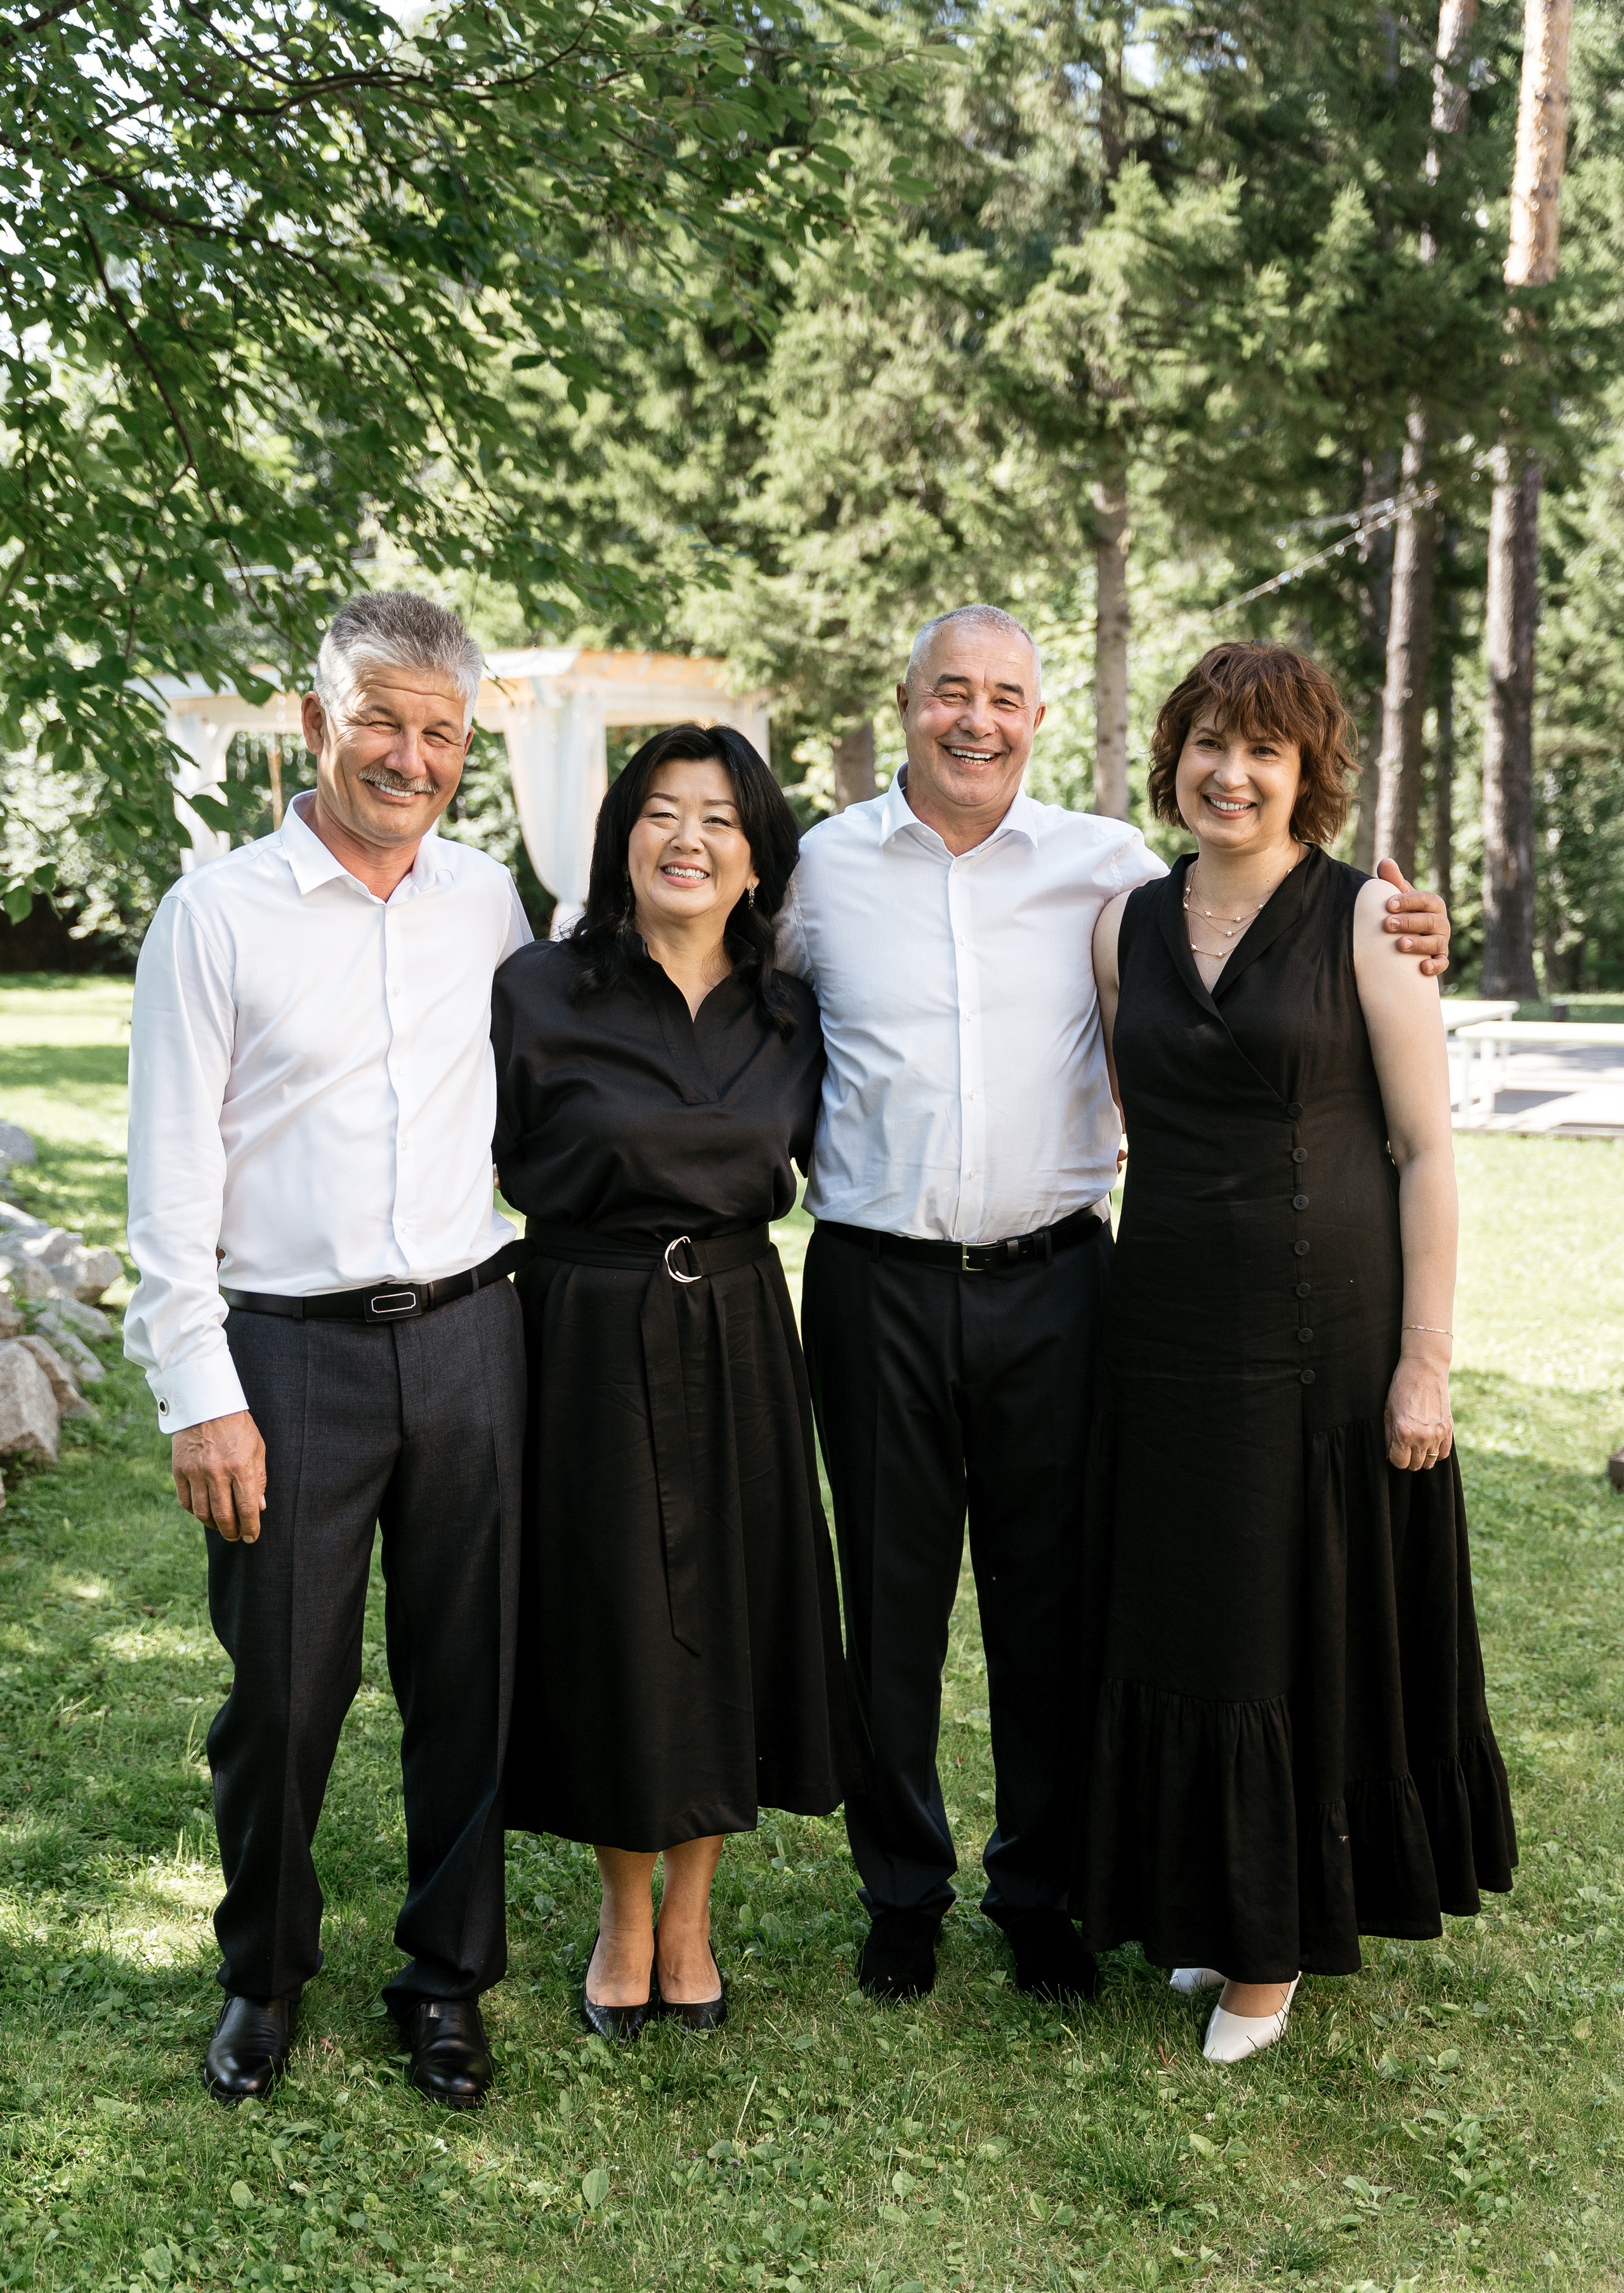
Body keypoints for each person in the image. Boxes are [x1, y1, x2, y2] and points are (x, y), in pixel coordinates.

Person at [782, 604, 1456, 2007]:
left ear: (1037, 719)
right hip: (873, 1283)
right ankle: (899, 1893)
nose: (975, 720)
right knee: (888, 1609)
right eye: (947, 694)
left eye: (1004, 698)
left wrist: (1409, 927)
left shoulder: (1103, 871)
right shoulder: (816, 871)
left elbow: (1264, 931)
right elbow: (712, 976)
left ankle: (1039, 1893)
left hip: (1059, 1284)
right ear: (903, 705)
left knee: (1053, 1607)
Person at [1072, 641, 1516, 2062]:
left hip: (1323, 1340)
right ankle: (1206, 1910)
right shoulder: (1119, 927)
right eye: (1206, 740)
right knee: (1189, 1612)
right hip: (1163, 1331)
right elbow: (1139, 1114)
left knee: (1291, 1613)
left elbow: (1422, 1150)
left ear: (1306, 772)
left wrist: (1423, 1362)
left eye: (1262, 748)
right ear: (1173, 756)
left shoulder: (1365, 925)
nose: (1229, 770)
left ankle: (1272, 1949)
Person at [124, 593, 530, 2110]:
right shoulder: (217, 914)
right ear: (314, 724)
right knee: (285, 1692)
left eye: (437, 732)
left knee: (467, 1682)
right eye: (379, 719)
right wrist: (200, 1396)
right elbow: (167, 1186)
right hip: (285, 1354)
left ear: (464, 749)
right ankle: (263, 1975)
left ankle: (445, 1983)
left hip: (473, 1335)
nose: (407, 755)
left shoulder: (489, 903)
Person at [493, 725, 849, 2042]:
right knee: (615, 1614)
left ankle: (691, 1919)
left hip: (742, 1325)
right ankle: (620, 1916)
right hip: (582, 1324)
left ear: (757, 857)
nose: (686, 839)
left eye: (718, 818)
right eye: (659, 812)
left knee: (727, 1610)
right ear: (619, 837)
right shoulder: (537, 989)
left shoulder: (792, 1010)